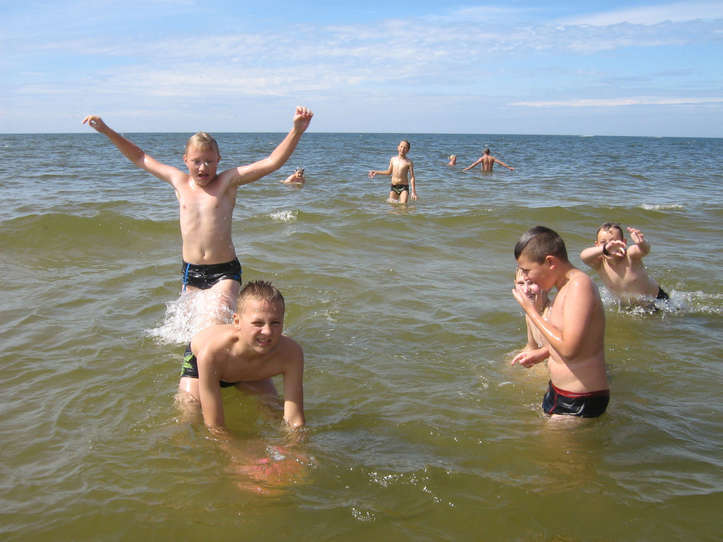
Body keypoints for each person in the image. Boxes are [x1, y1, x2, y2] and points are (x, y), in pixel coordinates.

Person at [82, 106, 313, 326]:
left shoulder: (227, 182)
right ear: (185, 160)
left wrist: (296, 130)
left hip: (224, 272)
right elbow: (140, 157)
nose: (203, 168)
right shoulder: (179, 182)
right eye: (196, 162)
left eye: (209, 162)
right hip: (190, 272)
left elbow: (271, 162)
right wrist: (107, 131)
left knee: (215, 320)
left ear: (218, 160)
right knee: (189, 327)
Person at [177, 280, 304, 432]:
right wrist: (242, 448)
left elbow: (295, 419)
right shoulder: (212, 353)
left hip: (250, 367)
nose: (268, 331)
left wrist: (295, 444)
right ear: (237, 321)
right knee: (190, 414)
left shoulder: (292, 353)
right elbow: (214, 425)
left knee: (274, 411)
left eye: (275, 323)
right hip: (202, 365)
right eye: (258, 323)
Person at [511, 226, 609, 418]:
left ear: (550, 262)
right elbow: (575, 338)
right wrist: (542, 353)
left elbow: (569, 350)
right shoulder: (564, 289)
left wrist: (531, 311)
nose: (526, 277)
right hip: (560, 392)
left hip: (580, 399)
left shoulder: (579, 286)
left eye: (527, 270)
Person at [580, 223, 669, 307]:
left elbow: (644, 250)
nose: (610, 245)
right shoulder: (600, 264)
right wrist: (604, 248)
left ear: (624, 242)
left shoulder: (630, 255)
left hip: (656, 301)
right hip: (627, 305)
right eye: (604, 242)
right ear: (597, 245)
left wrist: (641, 243)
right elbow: (583, 256)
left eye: (613, 241)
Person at [514, 267, 551, 360]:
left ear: (547, 285)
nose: (526, 290)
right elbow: (531, 347)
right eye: (521, 283)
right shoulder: (530, 314)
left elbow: (567, 349)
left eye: (531, 283)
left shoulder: (553, 314)